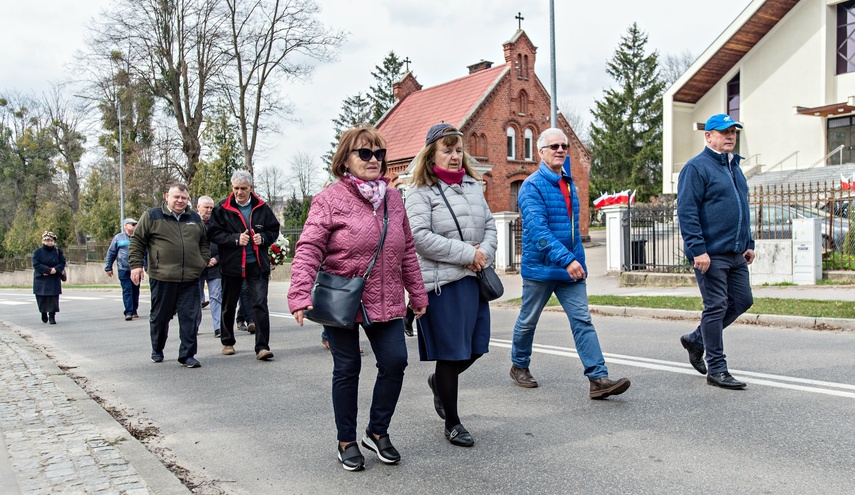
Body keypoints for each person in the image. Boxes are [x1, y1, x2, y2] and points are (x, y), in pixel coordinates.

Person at [288, 127, 428, 472]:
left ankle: (377, 431)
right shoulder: (329, 199)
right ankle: (346, 440)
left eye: (379, 153)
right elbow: (308, 248)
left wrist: (418, 293)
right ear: (345, 160)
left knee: (395, 361)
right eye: (365, 153)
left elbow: (407, 250)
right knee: (348, 368)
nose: (374, 160)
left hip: (388, 296)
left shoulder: (394, 199)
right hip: (343, 299)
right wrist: (299, 293)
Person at [510, 128, 631, 400]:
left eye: (564, 145)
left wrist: (579, 261)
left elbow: (574, 230)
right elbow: (539, 232)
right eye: (553, 146)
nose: (560, 150)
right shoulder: (531, 186)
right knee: (528, 321)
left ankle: (598, 378)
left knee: (582, 320)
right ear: (540, 152)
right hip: (541, 269)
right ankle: (519, 365)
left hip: (570, 268)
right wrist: (568, 260)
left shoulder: (569, 182)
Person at [405, 123, 497, 447]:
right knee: (450, 352)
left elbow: (490, 225)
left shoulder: (473, 185)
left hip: (473, 278)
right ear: (432, 154)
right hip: (442, 284)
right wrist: (466, 254)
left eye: (459, 149)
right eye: (448, 149)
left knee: (476, 347)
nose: (456, 155)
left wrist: (483, 253)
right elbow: (418, 237)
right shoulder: (419, 190)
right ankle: (453, 423)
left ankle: (439, 383)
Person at [677, 114, 755, 390]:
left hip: (735, 252)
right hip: (710, 254)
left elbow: (742, 208)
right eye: (723, 132)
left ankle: (697, 340)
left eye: (733, 131)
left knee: (743, 301)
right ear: (708, 136)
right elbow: (686, 212)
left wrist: (749, 242)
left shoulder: (735, 167)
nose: (730, 136)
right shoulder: (696, 168)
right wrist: (698, 250)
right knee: (717, 305)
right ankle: (717, 368)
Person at [129, 183, 210, 368]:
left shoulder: (195, 218)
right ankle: (157, 348)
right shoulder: (152, 216)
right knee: (160, 317)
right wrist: (136, 266)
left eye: (184, 197)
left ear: (188, 199)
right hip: (162, 277)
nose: (180, 201)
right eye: (176, 197)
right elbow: (137, 241)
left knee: (190, 317)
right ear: (167, 197)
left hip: (190, 278)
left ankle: (187, 355)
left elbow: (204, 242)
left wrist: (202, 261)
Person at [207, 170, 279, 361]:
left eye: (243, 189)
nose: (239, 192)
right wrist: (234, 239)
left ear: (251, 188)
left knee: (260, 305)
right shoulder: (222, 207)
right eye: (236, 188)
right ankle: (227, 341)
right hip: (232, 265)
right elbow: (213, 233)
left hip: (257, 265)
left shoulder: (262, 207)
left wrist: (262, 238)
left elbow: (274, 230)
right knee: (229, 305)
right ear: (232, 188)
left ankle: (262, 347)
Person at [195, 196, 222, 338]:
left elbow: (225, 243)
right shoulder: (191, 223)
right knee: (196, 299)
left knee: (216, 297)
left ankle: (218, 327)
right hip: (197, 267)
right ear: (198, 207)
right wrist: (202, 260)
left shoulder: (218, 223)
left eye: (211, 207)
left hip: (215, 267)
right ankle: (194, 327)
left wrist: (217, 259)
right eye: (206, 207)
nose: (209, 210)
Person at [105, 218, 141, 321]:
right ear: (125, 226)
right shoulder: (118, 238)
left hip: (136, 268)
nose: (135, 226)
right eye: (133, 224)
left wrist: (146, 266)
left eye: (136, 224)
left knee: (135, 290)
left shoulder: (139, 237)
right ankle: (128, 312)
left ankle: (134, 310)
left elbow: (145, 252)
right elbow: (111, 253)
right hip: (123, 269)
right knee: (127, 290)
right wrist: (108, 267)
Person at [33, 231, 65, 325]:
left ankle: (52, 315)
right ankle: (43, 312)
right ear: (43, 241)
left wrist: (56, 269)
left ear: (54, 241)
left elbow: (62, 262)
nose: (49, 242)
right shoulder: (37, 252)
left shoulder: (58, 251)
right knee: (42, 297)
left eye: (51, 240)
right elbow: (36, 264)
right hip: (41, 278)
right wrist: (47, 270)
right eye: (47, 240)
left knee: (53, 298)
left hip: (54, 278)